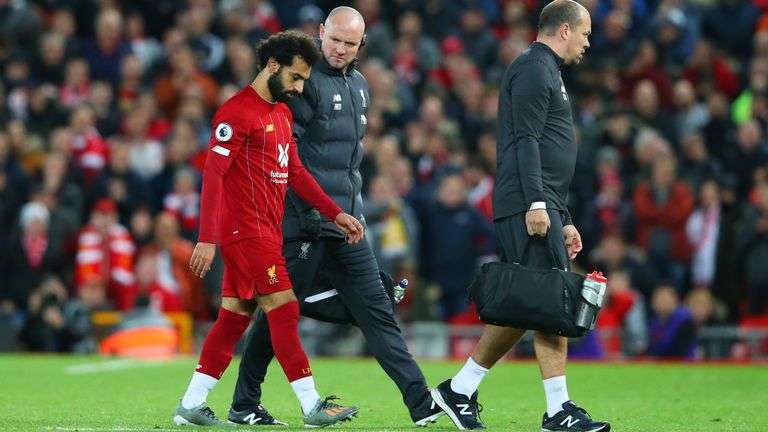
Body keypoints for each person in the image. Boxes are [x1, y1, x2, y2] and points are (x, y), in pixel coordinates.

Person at [227, 7, 445, 428]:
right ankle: (243, 403)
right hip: (303, 223)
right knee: (279, 315)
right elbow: (286, 158)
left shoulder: (361, 86)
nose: (341, 50)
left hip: (347, 225)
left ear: (361, 45)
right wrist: (308, 214)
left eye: (350, 43)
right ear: (321, 32)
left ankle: (423, 404)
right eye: (335, 40)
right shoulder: (302, 84)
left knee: (378, 309)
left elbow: (347, 166)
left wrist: (352, 213)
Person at [430, 2, 611, 431]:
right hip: (528, 201)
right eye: (585, 33)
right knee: (552, 300)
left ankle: (460, 389)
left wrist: (561, 214)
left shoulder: (547, 71)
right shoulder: (535, 67)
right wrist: (536, 203)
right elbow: (526, 140)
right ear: (564, 30)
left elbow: (547, 152)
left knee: (529, 302)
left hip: (541, 200)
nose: (588, 42)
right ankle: (557, 410)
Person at [172, 30, 364, 428]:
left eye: (303, 81)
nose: (298, 87)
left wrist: (334, 213)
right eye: (294, 77)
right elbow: (213, 175)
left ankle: (191, 404)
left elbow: (296, 173)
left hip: (265, 232)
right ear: (272, 66)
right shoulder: (235, 112)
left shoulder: (281, 114)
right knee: (284, 306)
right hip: (245, 233)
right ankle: (312, 405)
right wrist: (207, 239)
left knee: (234, 317)